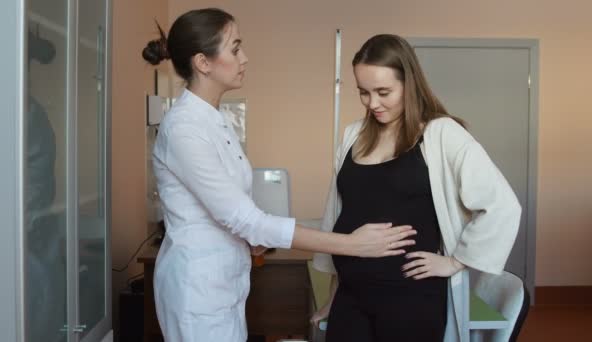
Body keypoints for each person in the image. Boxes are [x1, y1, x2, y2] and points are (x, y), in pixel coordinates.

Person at [141, 9, 417, 342]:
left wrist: (253, 238)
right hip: (197, 288)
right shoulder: (184, 128)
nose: (244, 58)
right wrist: (351, 245)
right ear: (203, 63)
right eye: (235, 48)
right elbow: (243, 218)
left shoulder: (213, 120)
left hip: (225, 284)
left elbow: (235, 213)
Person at [310, 34, 521, 342]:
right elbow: (338, 214)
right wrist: (333, 291)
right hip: (351, 295)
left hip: (410, 297)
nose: (373, 103)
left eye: (383, 92)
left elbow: (502, 205)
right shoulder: (354, 134)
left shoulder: (441, 134)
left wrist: (455, 261)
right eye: (364, 93)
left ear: (409, 84)